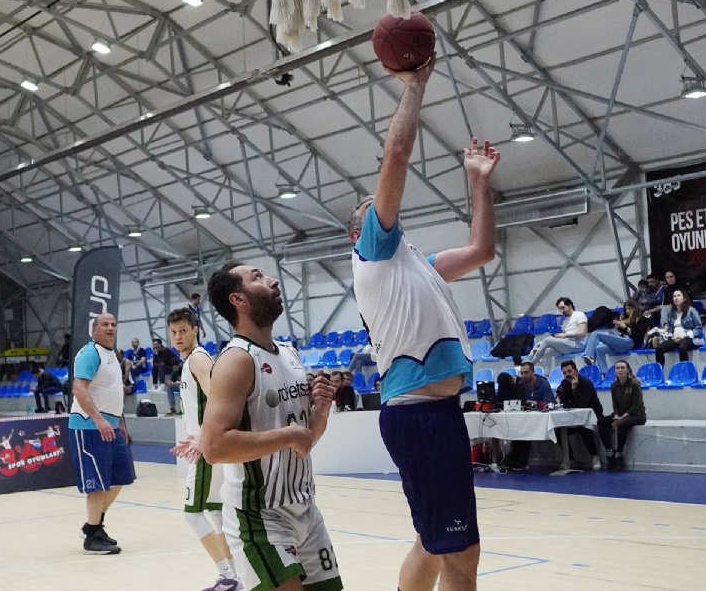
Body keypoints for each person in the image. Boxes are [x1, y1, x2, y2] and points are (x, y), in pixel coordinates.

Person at [348, 56, 494, 591]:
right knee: (461, 553)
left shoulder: (417, 266)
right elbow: (396, 155)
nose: (384, 208)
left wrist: (477, 182)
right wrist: (415, 85)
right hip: (421, 416)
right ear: (359, 232)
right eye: (372, 209)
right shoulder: (373, 254)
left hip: (434, 414)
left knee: (433, 545)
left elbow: (481, 249)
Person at [202, 263, 342, 591]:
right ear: (238, 299)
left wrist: (320, 414)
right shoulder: (236, 360)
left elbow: (304, 442)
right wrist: (287, 434)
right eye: (258, 278)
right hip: (259, 514)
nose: (273, 281)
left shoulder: (290, 354)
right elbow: (214, 447)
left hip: (305, 510)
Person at [167, 308, 242, 591]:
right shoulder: (191, 361)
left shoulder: (198, 359)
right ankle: (236, 577)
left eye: (183, 331)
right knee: (217, 513)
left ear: (195, 330)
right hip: (208, 443)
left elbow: (218, 399)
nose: (178, 337)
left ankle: (228, 575)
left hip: (208, 447)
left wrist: (202, 437)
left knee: (193, 513)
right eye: (173, 332)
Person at [69, 312, 135, 554]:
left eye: (113, 325)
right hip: (89, 427)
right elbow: (79, 390)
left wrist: (119, 423)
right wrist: (99, 420)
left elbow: (112, 393)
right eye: (104, 324)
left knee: (120, 478)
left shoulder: (111, 355)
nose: (110, 328)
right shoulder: (90, 353)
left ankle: (92, 526)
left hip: (111, 426)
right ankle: (93, 537)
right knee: (97, 485)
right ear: (94, 330)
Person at [500, 364, 554, 471]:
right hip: (527, 417)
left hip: (542, 417)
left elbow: (549, 403)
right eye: (522, 373)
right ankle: (516, 460)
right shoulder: (520, 384)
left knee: (525, 427)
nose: (523, 375)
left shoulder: (544, 384)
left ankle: (520, 461)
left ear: (533, 372)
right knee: (518, 426)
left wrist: (534, 403)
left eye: (526, 372)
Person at [555, 360, 605, 470]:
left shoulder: (586, 383)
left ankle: (594, 456)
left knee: (584, 427)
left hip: (593, 415)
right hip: (573, 416)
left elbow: (583, 404)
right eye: (564, 373)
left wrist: (574, 389)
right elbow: (564, 403)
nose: (567, 374)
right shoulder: (564, 384)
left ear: (576, 371)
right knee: (559, 432)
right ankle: (571, 458)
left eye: (569, 371)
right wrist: (573, 403)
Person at [597, 360, 645, 471]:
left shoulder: (635, 384)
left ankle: (619, 455)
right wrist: (617, 415)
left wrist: (621, 418)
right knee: (601, 422)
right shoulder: (614, 385)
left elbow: (636, 406)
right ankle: (609, 453)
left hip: (637, 414)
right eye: (617, 368)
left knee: (622, 423)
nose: (620, 370)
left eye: (623, 368)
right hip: (621, 414)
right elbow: (615, 404)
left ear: (628, 370)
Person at [582, 300, 648, 373]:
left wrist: (626, 328)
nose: (627, 311)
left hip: (630, 342)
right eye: (626, 309)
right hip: (620, 340)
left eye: (629, 309)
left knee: (596, 334)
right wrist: (617, 326)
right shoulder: (623, 319)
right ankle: (604, 373)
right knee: (599, 349)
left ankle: (590, 356)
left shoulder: (641, 320)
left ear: (635, 308)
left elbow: (639, 336)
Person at [527, 297, 588, 367]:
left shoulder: (580, 315)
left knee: (547, 341)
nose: (562, 311)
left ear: (570, 305)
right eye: (560, 309)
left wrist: (565, 335)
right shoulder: (565, 321)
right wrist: (558, 337)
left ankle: (532, 364)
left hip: (577, 345)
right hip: (567, 344)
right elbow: (563, 337)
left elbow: (582, 333)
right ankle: (546, 373)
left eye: (563, 308)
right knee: (548, 351)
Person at [653, 289, 705, 364]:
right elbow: (670, 329)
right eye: (674, 296)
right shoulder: (671, 313)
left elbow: (699, 328)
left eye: (678, 296)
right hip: (675, 338)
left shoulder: (691, 310)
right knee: (659, 349)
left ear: (684, 298)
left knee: (682, 347)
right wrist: (671, 336)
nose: (676, 298)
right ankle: (660, 370)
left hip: (689, 338)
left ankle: (684, 369)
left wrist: (684, 336)